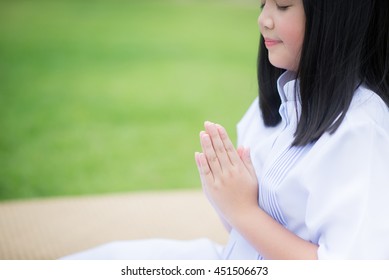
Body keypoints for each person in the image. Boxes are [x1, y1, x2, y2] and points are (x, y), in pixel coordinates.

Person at [62, 0, 389, 260]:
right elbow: (243, 228)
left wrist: (243, 210)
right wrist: (225, 195)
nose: (264, 19)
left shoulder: (361, 130)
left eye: (283, 6)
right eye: (263, 4)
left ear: (335, 18)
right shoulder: (282, 98)